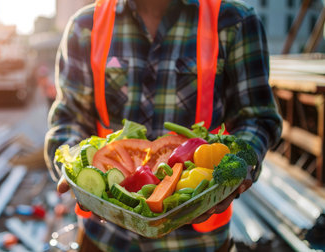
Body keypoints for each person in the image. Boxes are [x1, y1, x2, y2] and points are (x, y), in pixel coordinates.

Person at [44, 0, 282, 251]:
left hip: (199, 240)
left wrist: (235, 174)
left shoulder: (235, 22)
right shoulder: (86, 26)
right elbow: (70, 116)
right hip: (104, 236)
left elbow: (257, 117)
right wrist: (71, 170)